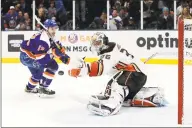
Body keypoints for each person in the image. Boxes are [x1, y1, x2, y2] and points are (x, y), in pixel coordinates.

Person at [68, 32, 167, 116]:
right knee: (118, 89)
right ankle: (151, 95)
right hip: (136, 76)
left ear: (104, 43)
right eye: (94, 43)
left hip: (133, 74)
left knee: (115, 84)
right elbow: (109, 68)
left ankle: (110, 106)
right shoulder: (113, 50)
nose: (96, 46)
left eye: (98, 43)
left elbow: (100, 68)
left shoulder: (110, 51)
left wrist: (81, 70)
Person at [20, 19, 70, 95]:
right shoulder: (42, 41)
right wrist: (54, 55)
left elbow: (56, 46)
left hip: (36, 55)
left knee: (52, 67)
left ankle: (37, 88)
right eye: (52, 28)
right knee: (39, 73)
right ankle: (35, 88)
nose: (54, 30)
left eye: (55, 28)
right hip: (27, 57)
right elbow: (41, 59)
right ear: (46, 29)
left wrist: (63, 55)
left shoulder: (50, 35)